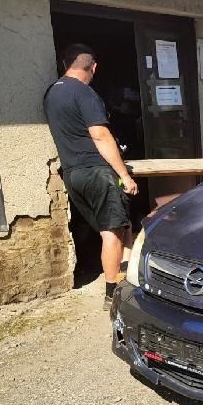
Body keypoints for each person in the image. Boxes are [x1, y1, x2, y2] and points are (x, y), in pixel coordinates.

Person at [43, 44, 139, 310]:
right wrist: (125, 175)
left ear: (65, 65)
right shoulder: (85, 93)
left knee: (119, 224)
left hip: (73, 173)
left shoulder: (51, 93)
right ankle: (113, 293)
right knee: (112, 233)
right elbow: (100, 135)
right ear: (93, 67)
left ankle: (128, 273)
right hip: (98, 172)